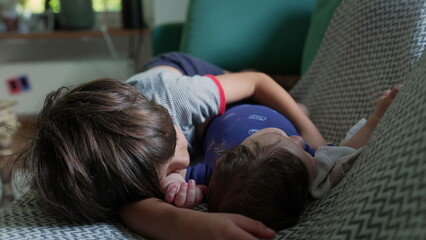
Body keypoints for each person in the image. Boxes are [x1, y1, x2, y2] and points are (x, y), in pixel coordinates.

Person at [14, 51, 326, 240]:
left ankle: (298, 107)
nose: (182, 170)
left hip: (180, 69)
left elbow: (257, 80)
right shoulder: (117, 172)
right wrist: (190, 226)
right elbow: (131, 208)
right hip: (142, 112)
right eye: (168, 172)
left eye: (175, 142)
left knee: (244, 99)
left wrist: (307, 129)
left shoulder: (182, 95)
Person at [160, 86, 401, 231]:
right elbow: (345, 151)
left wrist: (176, 186)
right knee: (301, 110)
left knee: (204, 114)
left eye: (284, 139)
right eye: (307, 153)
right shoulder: (304, 167)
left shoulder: (213, 174)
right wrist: (377, 117)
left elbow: (173, 170)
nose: (299, 141)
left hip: (225, 110)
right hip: (274, 108)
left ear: (224, 161)